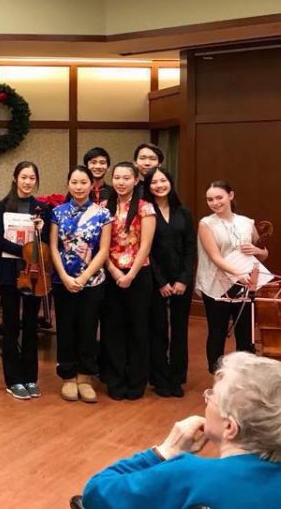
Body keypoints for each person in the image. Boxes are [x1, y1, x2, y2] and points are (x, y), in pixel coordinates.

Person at [82, 352, 281, 509]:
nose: (206, 399)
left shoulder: (190, 474)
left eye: (212, 395)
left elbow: (96, 493)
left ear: (230, 427)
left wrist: (165, 451)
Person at [50, 166, 112, 403]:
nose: (78, 186)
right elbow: (54, 247)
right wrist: (65, 277)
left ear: (91, 185)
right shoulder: (58, 212)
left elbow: (104, 249)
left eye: (83, 182)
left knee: (88, 327)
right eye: (74, 182)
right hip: (63, 280)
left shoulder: (102, 214)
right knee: (65, 327)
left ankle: (85, 377)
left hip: (93, 281)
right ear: (68, 184)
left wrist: (84, 277)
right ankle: (67, 377)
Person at [0, 161, 50, 400]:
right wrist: (25, 250)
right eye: (23, 177)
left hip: (35, 272)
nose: (27, 182)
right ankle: (13, 379)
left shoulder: (42, 208)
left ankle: (30, 377)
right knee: (12, 325)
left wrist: (41, 230)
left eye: (32, 178)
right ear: (15, 178)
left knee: (30, 325)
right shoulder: (4, 205)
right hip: (10, 270)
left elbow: (47, 242)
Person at [196, 181, 268, 373]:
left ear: (231, 195)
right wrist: (238, 273)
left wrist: (258, 250)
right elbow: (214, 257)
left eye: (219, 197)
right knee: (217, 332)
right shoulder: (206, 223)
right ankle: (218, 376)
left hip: (245, 284)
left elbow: (262, 253)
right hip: (217, 284)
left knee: (245, 333)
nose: (214, 202)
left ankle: (244, 377)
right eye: (210, 199)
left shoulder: (247, 222)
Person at [102, 161, 156, 401]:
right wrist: (114, 273)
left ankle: (136, 382)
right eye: (117, 177)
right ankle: (115, 380)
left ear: (136, 180)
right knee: (113, 329)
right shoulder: (103, 208)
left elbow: (146, 245)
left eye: (126, 178)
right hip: (111, 272)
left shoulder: (146, 208)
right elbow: (101, 246)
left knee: (138, 329)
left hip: (138, 274)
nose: (121, 182)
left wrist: (131, 274)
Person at [142, 167, 196, 398]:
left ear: (170, 182)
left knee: (180, 330)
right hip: (156, 281)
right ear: (148, 186)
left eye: (163, 180)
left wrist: (184, 279)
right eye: (154, 182)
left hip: (182, 281)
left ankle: (177, 378)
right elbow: (146, 250)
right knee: (158, 329)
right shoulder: (145, 212)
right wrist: (162, 282)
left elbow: (190, 248)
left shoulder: (183, 213)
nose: (159, 185)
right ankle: (160, 378)